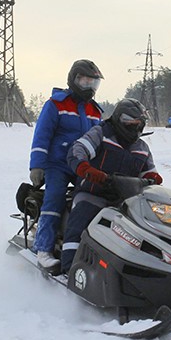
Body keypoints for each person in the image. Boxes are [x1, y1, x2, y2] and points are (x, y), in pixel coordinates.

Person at [60, 98, 163, 273]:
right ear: (118, 119)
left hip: (125, 201)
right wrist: (86, 169)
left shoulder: (142, 147)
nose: (135, 127)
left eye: (139, 123)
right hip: (93, 193)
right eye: (130, 122)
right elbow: (78, 149)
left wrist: (153, 178)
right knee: (80, 219)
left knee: (148, 230)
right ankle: (68, 269)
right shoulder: (101, 133)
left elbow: (149, 171)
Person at [29, 59, 104, 268]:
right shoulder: (56, 104)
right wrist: (37, 165)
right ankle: (43, 248)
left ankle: (85, 247)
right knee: (54, 198)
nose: (89, 87)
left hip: (83, 165)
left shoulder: (95, 111)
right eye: (85, 81)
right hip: (58, 164)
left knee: (94, 200)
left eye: (93, 83)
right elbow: (42, 135)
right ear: (74, 80)